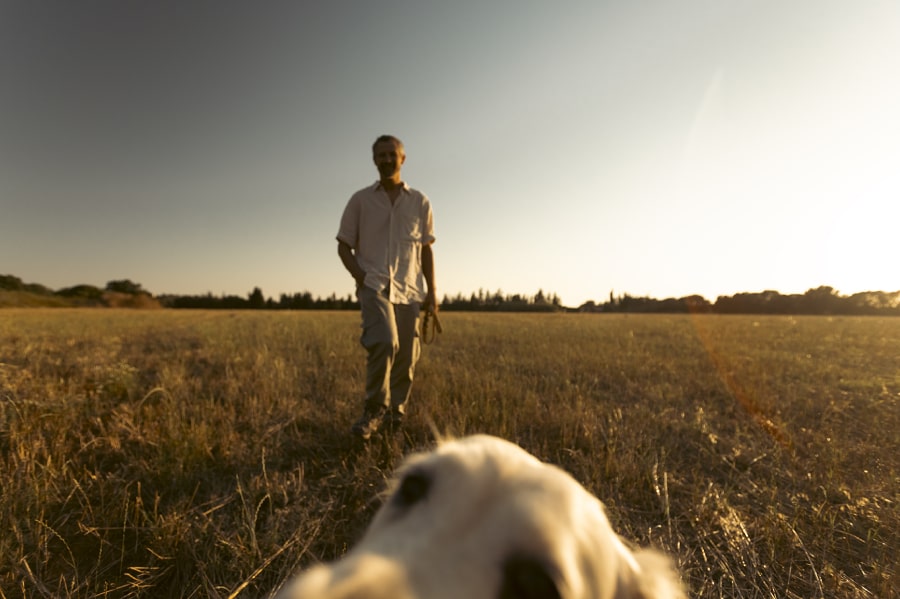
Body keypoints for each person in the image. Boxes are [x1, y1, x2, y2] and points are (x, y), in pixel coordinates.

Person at [337, 135, 437, 439]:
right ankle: (374, 410)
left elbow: (426, 250)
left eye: (391, 154)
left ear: (403, 159)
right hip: (374, 284)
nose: (386, 160)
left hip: (409, 288)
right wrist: (362, 278)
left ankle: (396, 415)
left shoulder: (419, 202)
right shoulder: (360, 200)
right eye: (380, 156)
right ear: (374, 160)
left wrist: (432, 293)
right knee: (385, 340)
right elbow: (343, 246)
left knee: (407, 355)